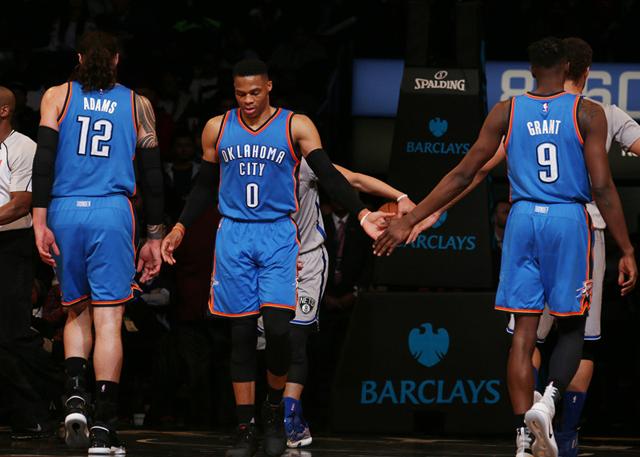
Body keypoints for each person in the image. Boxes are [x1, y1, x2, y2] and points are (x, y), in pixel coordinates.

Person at [373, 37, 638, 457]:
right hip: (576, 223)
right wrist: (628, 249)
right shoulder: (594, 112)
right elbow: (603, 187)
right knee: (578, 332)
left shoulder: (509, 110)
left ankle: (524, 435)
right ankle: (553, 410)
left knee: (524, 336)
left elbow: (468, 174)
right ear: (580, 70)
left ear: (532, 69)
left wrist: (415, 218)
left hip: (522, 218)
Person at [161, 58, 390, 457]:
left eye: (254, 92)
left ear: (268, 87)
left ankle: (273, 409)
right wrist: (180, 226)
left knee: (281, 332)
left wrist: (364, 212)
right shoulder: (218, 127)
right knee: (242, 335)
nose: (247, 100)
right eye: (240, 93)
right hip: (234, 234)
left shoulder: (295, 125)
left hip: (278, 234)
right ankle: (245, 426)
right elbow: (204, 186)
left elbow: (331, 175)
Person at [31, 31, 165, 455]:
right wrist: (154, 236)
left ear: (80, 57)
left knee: (75, 309)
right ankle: (105, 425)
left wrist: (39, 219)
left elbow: (44, 160)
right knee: (109, 320)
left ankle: (74, 393)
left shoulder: (57, 95)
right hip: (112, 211)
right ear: (118, 61)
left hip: (65, 209)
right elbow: (153, 176)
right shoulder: (137, 104)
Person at [258, 159, 415, 448]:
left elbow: (354, 178)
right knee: (269, 343)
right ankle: (268, 410)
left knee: (296, 337)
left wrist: (400, 196)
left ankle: (290, 413)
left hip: (308, 259)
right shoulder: (248, 163)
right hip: (267, 261)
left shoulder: (303, 161)